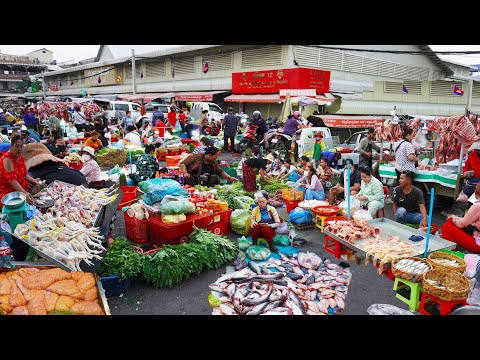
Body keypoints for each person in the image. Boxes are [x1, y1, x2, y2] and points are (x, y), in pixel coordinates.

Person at [0, 133, 40, 207]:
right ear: (11, 146)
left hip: (20, 183)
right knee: (26, 200)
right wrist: (24, 192)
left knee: (37, 186)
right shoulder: (7, 159)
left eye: (21, 147)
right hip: (8, 188)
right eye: (17, 146)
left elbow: (24, 174)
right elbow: (12, 181)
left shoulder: (19, 157)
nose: (19, 149)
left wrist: (34, 180)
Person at [442, 183, 480, 253]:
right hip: (475, 234)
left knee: (446, 227)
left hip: (477, 244)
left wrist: (453, 217)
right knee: (451, 221)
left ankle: (452, 255)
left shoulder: (477, 206)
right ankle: (453, 249)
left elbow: (462, 224)